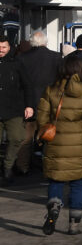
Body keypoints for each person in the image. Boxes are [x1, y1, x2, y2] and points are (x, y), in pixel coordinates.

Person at [37, 56, 82, 235]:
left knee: (55, 180)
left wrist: (41, 136)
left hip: (55, 142)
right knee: (77, 184)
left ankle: (54, 206)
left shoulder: (51, 90)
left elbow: (42, 118)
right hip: (79, 143)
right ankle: (74, 224)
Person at [14, 31, 63, 175]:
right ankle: (48, 164)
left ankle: (23, 166)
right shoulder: (55, 57)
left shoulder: (22, 58)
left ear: (31, 42)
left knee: (26, 138)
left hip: (28, 103)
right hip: (49, 104)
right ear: (45, 42)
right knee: (48, 136)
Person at [0, 37, 31, 185]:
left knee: (17, 137)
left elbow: (27, 85)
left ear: (9, 47)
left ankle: (7, 166)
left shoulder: (17, 63)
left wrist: (29, 106)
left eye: (4, 47)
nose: (1, 50)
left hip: (14, 108)